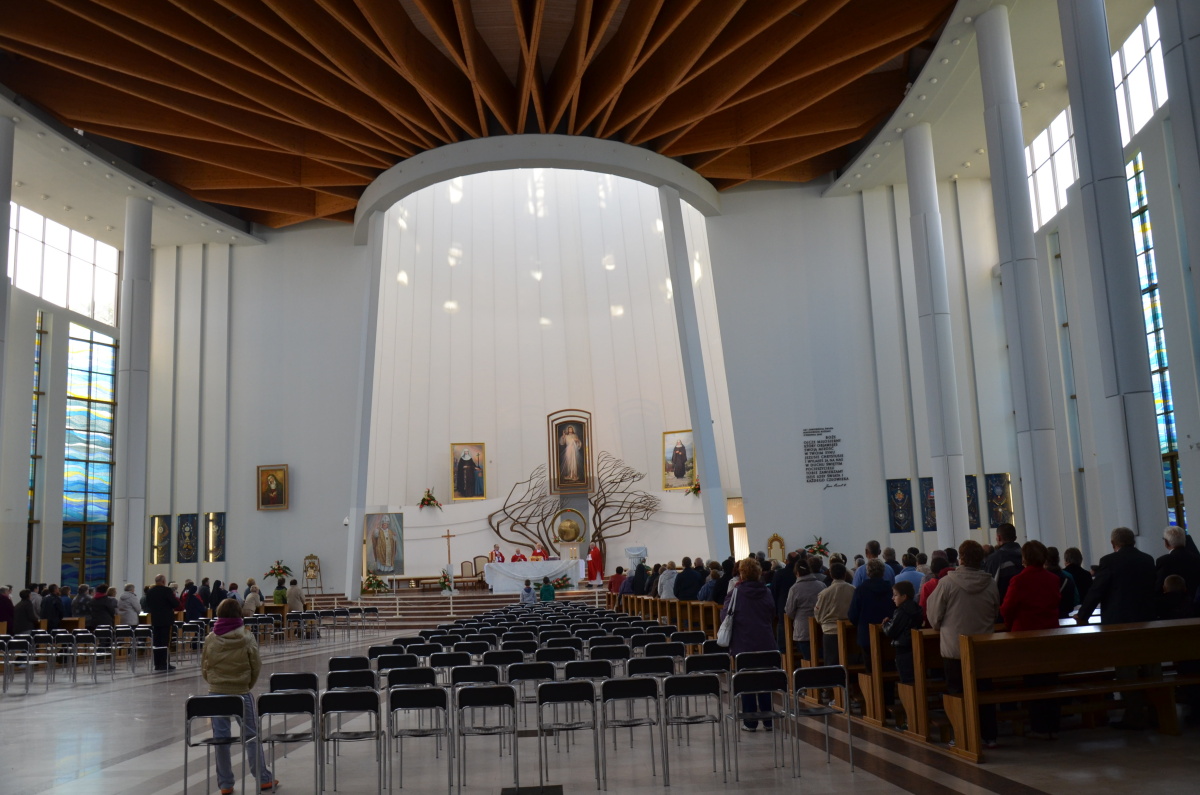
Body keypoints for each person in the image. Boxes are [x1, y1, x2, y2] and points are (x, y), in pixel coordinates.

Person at [927, 540, 1000, 749]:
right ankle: (989, 735)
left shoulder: (947, 583)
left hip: (955, 648)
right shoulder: (990, 583)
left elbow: (934, 617)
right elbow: (995, 611)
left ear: (961, 559)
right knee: (983, 692)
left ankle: (961, 734)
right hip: (982, 647)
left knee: (956, 692)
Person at [201, 598, 277, 794]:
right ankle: (263, 778)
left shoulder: (210, 639)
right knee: (251, 735)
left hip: (216, 692)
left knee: (221, 738)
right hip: (241, 692)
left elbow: (204, 665)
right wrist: (246, 685)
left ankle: (225, 784)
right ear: (239, 615)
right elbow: (256, 665)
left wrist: (214, 683)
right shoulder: (247, 637)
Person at [1000, 540, 1062, 738]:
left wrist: (1009, 625)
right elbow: (1055, 602)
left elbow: (1007, 608)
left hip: (1026, 635)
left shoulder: (1019, 580)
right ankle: (1052, 725)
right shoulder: (1053, 579)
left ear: (1024, 558)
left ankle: (1039, 726)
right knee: (1050, 680)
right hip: (1050, 634)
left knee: (1034, 682)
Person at [721, 557, 777, 731]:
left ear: (742, 573)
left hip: (743, 642)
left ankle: (750, 721)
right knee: (765, 680)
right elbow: (772, 612)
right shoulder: (766, 591)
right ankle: (768, 720)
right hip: (765, 641)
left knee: (746, 680)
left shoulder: (736, 593)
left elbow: (725, 616)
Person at [1076, 527, 1156, 626]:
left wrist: (1082, 615)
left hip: (1117, 619)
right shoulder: (1148, 559)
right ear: (1133, 542)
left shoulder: (1108, 561)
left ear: (1113, 543)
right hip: (1146, 618)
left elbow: (1097, 590)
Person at [848, 559, 894, 656]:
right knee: (888, 662)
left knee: (869, 663)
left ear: (868, 572)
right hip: (887, 633)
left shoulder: (861, 590)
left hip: (866, 634)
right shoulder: (891, 589)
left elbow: (853, 614)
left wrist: (860, 625)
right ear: (883, 572)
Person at [784, 558, 826, 662]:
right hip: (821, 627)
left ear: (797, 573)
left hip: (803, 629)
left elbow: (789, 611)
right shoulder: (821, 585)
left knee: (808, 659)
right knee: (821, 658)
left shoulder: (795, 588)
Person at [813, 561, 855, 665]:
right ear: (845, 574)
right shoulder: (854, 590)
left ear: (831, 575)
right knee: (851, 661)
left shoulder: (825, 593)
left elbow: (818, 615)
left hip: (831, 631)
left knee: (832, 664)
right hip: (850, 630)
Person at [882, 581, 922, 685]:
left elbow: (891, 631)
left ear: (904, 596)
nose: (893, 598)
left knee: (907, 681)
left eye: (895, 595)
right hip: (913, 647)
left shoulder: (901, 611)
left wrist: (885, 624)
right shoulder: (916, 607)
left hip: (903, 649)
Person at [145, 574, 181, 672]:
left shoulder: (150, 591)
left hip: (155, 620)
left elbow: (147, 604)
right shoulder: (167, 590)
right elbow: (175, 603)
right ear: (164, 581)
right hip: (166, 620)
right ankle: (164, 663)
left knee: (157, 642)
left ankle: (157, 664)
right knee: (165, 642)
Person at [1155, 526, 1200, 599]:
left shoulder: (1164, 560)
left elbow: (1159, 587)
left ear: (1166, 542)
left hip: (1172, 602)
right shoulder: (1197, 558)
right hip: (1195, 601)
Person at [984, 522, 1023, 601]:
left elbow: (988, 587)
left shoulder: (995, 559)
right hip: (1027, 603)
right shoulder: (1027, 556)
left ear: (998, 538)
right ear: (1015, 538)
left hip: (1003, 603)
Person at [919, 557, 954, 626]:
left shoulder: (927, 586)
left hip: (932, 624)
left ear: (932, 569)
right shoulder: (953, 583)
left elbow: (923, 607)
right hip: (952, 622)